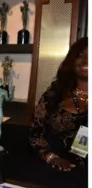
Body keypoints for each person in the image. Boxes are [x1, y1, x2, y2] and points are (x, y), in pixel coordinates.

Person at [29, 37, 88, 172]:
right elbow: (35, 133)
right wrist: (51, 157)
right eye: (80, 55)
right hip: (52, 170)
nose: (86, 61)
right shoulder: (53, 95)